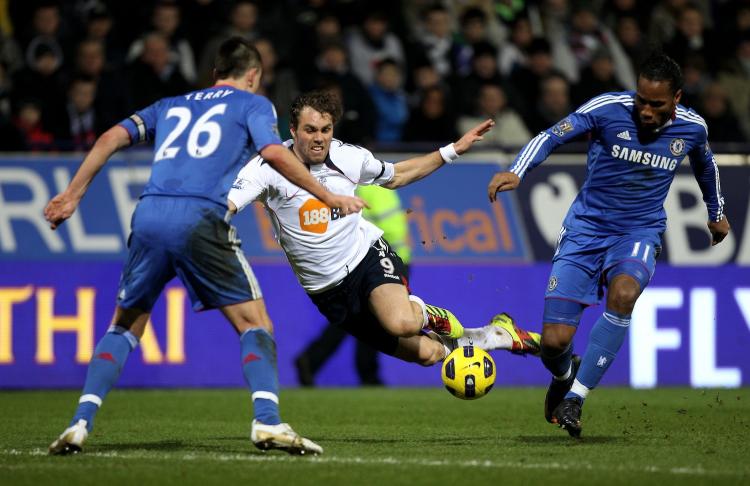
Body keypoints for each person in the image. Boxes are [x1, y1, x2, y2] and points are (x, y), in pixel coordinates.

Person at [45, 37, 365, 456]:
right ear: (253, 75)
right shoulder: (254, 104)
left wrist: (72, 195)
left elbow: (109, 137)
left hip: (149, 214)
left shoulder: (170, 104)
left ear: (215, 73)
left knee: (124, 325)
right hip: (199, 217)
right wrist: (327, 195)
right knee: (255, 325)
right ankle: (268, 423)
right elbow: (272, 153)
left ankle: (79, 424)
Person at [229, 91, 542, 396]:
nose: (319, 138)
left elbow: (397, 175)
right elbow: (226, 205)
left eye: (326, 130)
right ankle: (493, 335)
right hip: (326, 291)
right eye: (310, 130)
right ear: (293, 131)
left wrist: (453, 150)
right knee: (430, 354)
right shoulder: (265, 169)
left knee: (402, 321)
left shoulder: (347, 156)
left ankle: (430, 316)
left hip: (367, 258)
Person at [487, 52, 730, 437]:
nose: (646, 111)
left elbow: (706, 164)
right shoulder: (606, 109)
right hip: (585, 231)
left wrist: (715, 210)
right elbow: (552, 135)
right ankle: (564, 376)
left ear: (677, 98)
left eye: (657, 104)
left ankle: (576, 398)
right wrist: (517, 171)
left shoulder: (692, 129)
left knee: (624, 294)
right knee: (554, 343)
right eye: (642, 101)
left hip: (638, 232)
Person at [295, 184, 411, 386]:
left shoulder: (371, 182)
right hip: (378, 259)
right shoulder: (368, 184)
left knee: (357, 318)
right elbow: (390, 228)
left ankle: (312, 360)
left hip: (385, 257)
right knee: (373, 318)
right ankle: (366, 373)